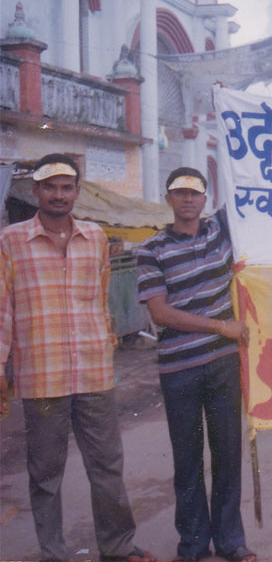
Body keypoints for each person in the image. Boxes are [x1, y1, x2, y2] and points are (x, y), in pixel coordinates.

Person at [0, 154, 154, 562]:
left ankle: (117, 547)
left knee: (107, 465)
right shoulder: (10, 241)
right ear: (36, 190)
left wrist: (106, 341)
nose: (58, 195)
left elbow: (101, 300)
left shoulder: (96, 237)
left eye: (66, 187)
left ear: (76, 192)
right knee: (45, 474)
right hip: (42, 374)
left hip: (94, 372)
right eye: (50, 187)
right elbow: (2, 309)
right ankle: (53, 553)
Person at [136, 168, 255, 562]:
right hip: (179, 369)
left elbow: (250, 190)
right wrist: (220, 326)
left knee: (227, 454)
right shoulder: (151, 250)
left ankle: (230, 541)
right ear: (168, 198)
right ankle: (192, 544)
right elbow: (160, 312)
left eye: (195, 193)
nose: (188, 199)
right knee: (187, 460)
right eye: (180, 193)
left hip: (222, 364)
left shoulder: (220, 231)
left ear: (205, 199)